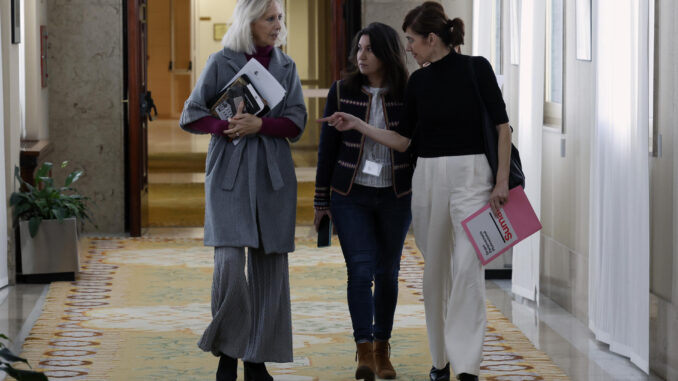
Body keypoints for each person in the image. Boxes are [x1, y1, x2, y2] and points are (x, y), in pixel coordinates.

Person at [319, 3, 511, 381]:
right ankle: (440, 361)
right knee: (435, 270)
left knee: (469, 266)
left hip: (474, 176)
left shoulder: (478, 68)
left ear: (431, 39)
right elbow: (404, 141)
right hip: (427, 177)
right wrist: (359, 123)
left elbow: (503, 128)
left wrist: (501, 180)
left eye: (411, 40)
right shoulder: (419, 83)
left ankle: (467, 364)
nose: (408, 48)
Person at [179, 0, 307, 380]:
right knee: (231, 266)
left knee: (270, 269)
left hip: (273, 176)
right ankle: (228, 352)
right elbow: (192, 114)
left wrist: (261, 126)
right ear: (249, 23)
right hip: (229, 174)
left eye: (279, 18)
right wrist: (224, 126)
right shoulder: (222, 61)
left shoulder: (287, 67)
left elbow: (297, 121)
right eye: (270, 18)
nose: (277, 25)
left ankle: (256, 360)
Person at [314, 22, 412, 381]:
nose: (361, 56)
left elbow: (411, 142)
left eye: (369, 49)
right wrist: (321, 201)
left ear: (387, 53)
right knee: (360, 271)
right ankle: (364, 351)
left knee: (387, 273)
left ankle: (383, 349)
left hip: (395, 195)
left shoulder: (406, 92)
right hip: (350, 195)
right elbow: (327, 151)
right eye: (359, 49)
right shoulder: (342, 91)